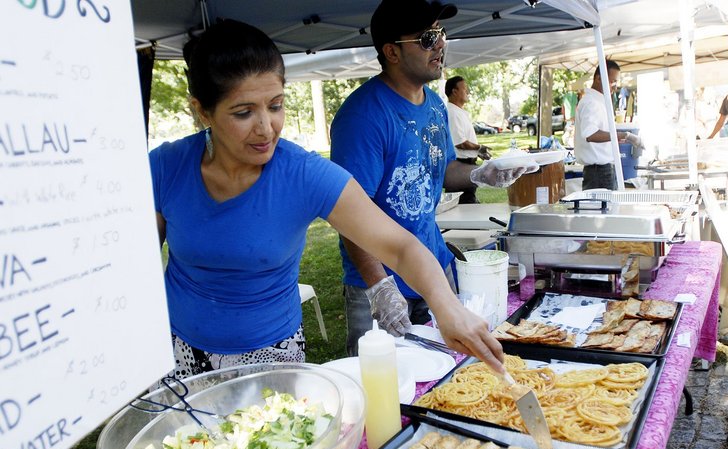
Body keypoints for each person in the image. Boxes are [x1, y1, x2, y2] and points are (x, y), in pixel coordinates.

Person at [150, 19, 506, 378]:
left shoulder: (302, 173)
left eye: (275, 106)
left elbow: (400, 246)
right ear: (202, 111)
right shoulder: (166, 166)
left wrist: (447, 307)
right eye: (243, 113)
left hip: (272, 352)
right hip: (179, 349)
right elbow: (138, 265)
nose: (265, 127)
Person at [330, 0, 535, 356]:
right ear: (392, 52)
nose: (439, 44)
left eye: (440, 33)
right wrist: (379, 286)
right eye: (427, 38)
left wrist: (479, 174)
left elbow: (440, 172)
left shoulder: (436, 105)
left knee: (440, 373)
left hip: (432, 269)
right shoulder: (363, 116)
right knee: (383, 392)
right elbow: (348, 214)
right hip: (378, 281)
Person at [574, 59, 639, 190]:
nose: (615, 86)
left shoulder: (598, 101)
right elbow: (591, 134)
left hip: (603, 169)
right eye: (612, 81)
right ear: (598, 78)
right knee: (603, 209)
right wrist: (625, 135)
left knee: (611, 208)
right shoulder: (591, 102)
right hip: (598, 172)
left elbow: (600, 134)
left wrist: (615, 140)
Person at [444, 75, 491, 204]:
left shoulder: (459, 111)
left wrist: (478, 152)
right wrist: (479, 147)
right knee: (464, 204)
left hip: (466, 162)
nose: (468, 92)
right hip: (460, 165)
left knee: (468, 201)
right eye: (465, 89)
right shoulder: (452, 112)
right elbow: (460, 143)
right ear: (454, 91)